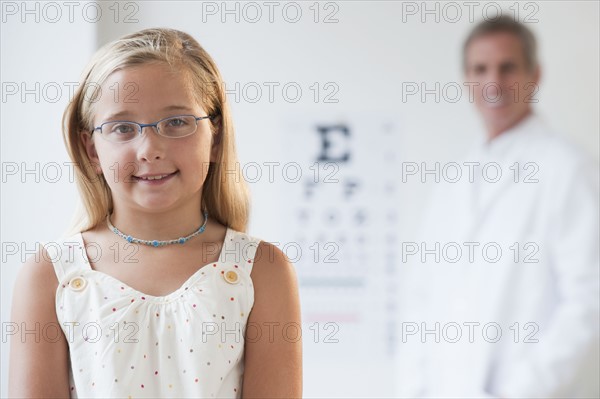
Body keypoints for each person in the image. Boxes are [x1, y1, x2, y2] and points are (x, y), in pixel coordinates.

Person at [8, 28, 302, 398]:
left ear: (216, 135)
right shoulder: (51, 275)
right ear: (93, 150)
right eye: (123, 128)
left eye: (176, 122)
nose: (149, 149)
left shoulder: (261, 270)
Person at [396, 16, 599, 398]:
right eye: (480, 69)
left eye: (507, 68)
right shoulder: (451, 181)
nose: (493, 83)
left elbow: (589, 300)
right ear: (466, 79)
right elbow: (420, 299)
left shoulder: (568, 169)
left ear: (535, 75)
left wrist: (522, 389)